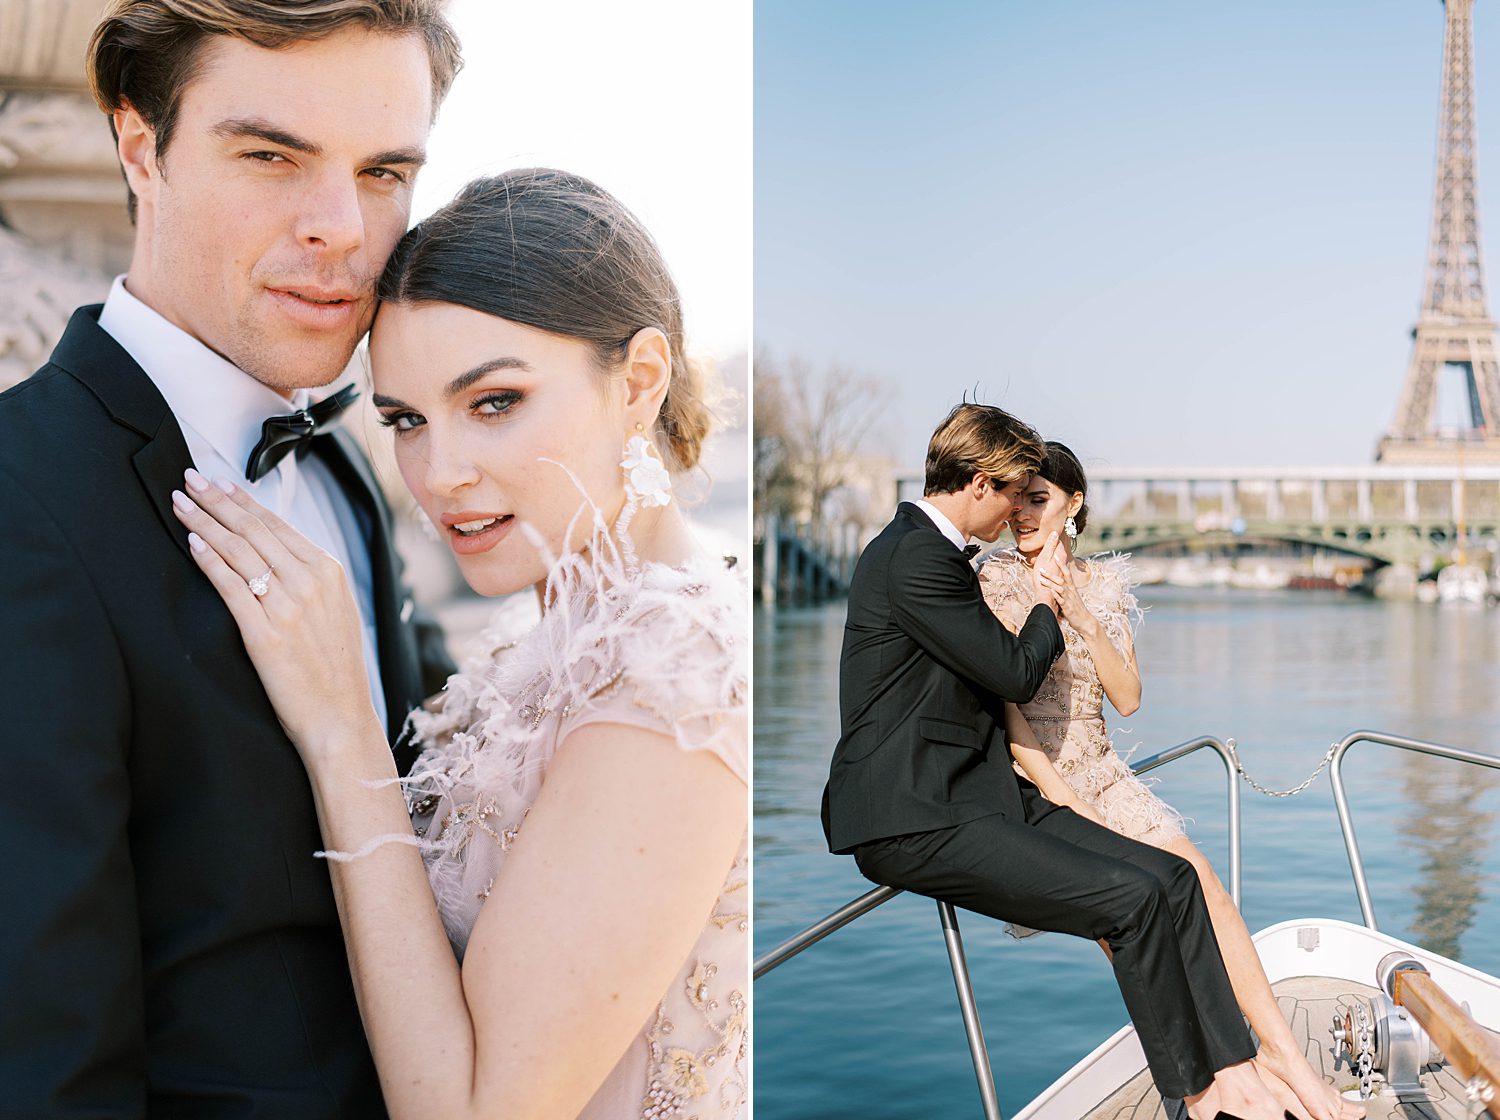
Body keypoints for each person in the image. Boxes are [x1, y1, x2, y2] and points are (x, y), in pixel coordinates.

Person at [172, 168, 749, 1120]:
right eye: (404, 420)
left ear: (640, 382)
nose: (438, 475)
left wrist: (339, 727)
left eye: (493, 403)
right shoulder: (539, 630)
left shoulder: (673, 676)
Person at [0, 3, 460, 1116]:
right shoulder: (19, 495)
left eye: (386, 170)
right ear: (140, 147)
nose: (344, 228)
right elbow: (46, 1066)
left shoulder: (355, 471)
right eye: (272, 155)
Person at [823, 403, 1297, 1120]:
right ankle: (1205, 1097)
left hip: (977, 795)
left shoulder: (934, 554)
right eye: (1015, 489)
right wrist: (1050, 598)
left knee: (1173, 880)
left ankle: (1238, 1071)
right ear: (980, 483)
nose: (1020, 506)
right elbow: (1013, 674)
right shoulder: (917, 557)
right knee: (1134, 901)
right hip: (914, 815)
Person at [980, 442, 1364, 1120]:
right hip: (1045, 784)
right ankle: (1212, 1085)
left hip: (1107, 774)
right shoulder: (996, 583)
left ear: (1073, 503)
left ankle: (1286, 1062)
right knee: (1129, 918)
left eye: (1038, 498)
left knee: (1204, 885)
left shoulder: (1104, 585)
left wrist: (1083, 615)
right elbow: (1005, 713)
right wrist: (1062, 798)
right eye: (1016, 499)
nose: (1021, 512)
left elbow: (1127, 697)